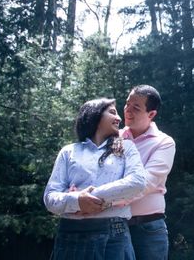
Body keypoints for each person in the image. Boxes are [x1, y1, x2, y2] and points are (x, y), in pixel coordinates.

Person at [44, 98, 147, 260]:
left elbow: (137, 182)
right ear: (95, 115)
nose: (119, 118)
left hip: (114, 237)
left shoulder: (126, 147)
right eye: (112, 112)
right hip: (71, 237)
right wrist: (77, 200)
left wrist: (86, 199)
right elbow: (50, 198)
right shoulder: (68, 151)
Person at [121, 85, 176, 260]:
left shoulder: (164, 142)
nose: (128, 111)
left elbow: (146, 182)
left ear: (151, 114)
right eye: (127, 104)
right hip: (115, 224)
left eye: (136, 107)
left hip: (148, 226)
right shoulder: (114, 138)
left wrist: (105, 201)